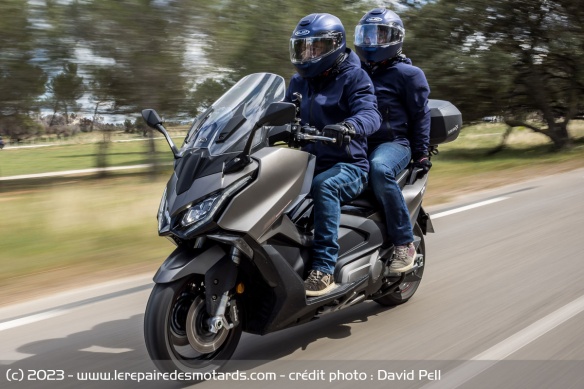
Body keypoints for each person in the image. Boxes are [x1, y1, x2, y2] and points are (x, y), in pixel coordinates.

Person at [286, 13, 381, 296]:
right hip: (306, 161)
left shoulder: (354, 76)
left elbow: (370, 113)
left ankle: (324, 269)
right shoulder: (298, 82)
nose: (308, 54)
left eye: (316, 47)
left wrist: (349, 126)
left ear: (334, 46)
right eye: (303, 48)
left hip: (349, 164)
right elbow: (277, 112)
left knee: (324, 186)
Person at [354, 8, 432, 273]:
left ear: (396, 38)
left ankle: (404, 243)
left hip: (393, 143)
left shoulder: (409, 75)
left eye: (380, 36)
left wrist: (421, 153)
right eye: (367, 36)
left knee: (379, 169)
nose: (372, 42)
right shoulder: (354, 71)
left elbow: (421, 116)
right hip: (358, 141)